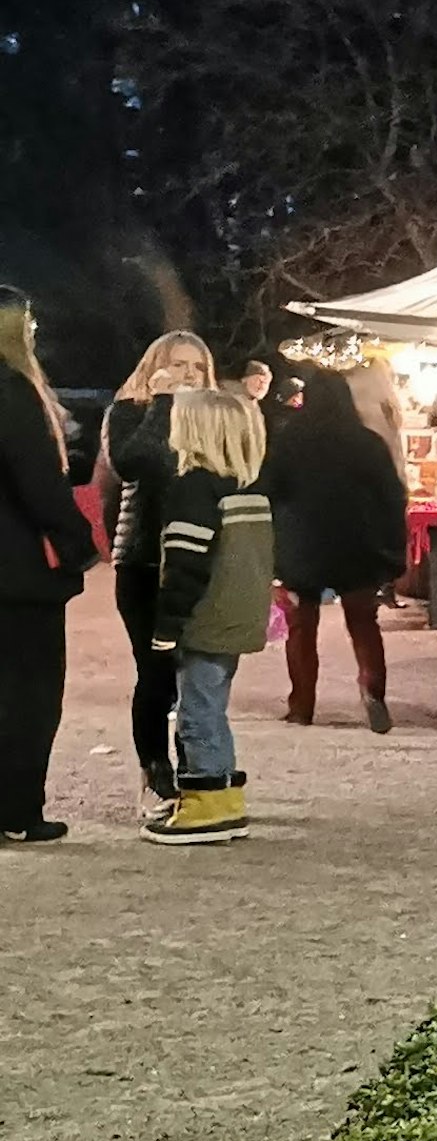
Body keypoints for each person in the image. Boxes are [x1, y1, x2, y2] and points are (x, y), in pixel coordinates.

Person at [144, 382, 273, 846]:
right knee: (211, 707)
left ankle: (208, 801)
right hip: (238, 615)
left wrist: (165, 629)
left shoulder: (194, 489)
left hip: (206, 618)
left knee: (197, 712)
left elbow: (185, 567)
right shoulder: (251, 488)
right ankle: (224, 795)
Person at [101, 329, 217, 813]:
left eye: (196, 367)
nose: (188, 374)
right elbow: (133, 463)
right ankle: (155, 768)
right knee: (155, 672)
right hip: (145, 559)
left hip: (198, 554)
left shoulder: (215, 416)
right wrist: (164, 404)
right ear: (155, 367)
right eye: (179, 365)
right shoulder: (130, 410)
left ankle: (198, 771)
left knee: (199, 671)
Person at [0, 286, 97, 845]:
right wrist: (77, 544)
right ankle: (16, 807)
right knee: (29, 692)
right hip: (16, 571)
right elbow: (38, 484)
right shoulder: (13, 393)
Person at [266, 362, 411, 730]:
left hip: (302, 546)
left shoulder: (288, 439)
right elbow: (392, 496)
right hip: (356, 547)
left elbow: (269, 488)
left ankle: (302, 705)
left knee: (301, 627)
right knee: (363, 622)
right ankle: (373, 691)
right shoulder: (367, 442)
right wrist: (390, 550)